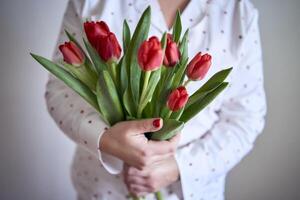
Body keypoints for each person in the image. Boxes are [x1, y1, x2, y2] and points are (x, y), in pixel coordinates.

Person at [45, 0, 267, 199]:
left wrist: (179, 167)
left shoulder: (238, 13)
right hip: (101, 189)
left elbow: (246, 119)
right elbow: (59, 91)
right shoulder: (91, 2)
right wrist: (105, 139)